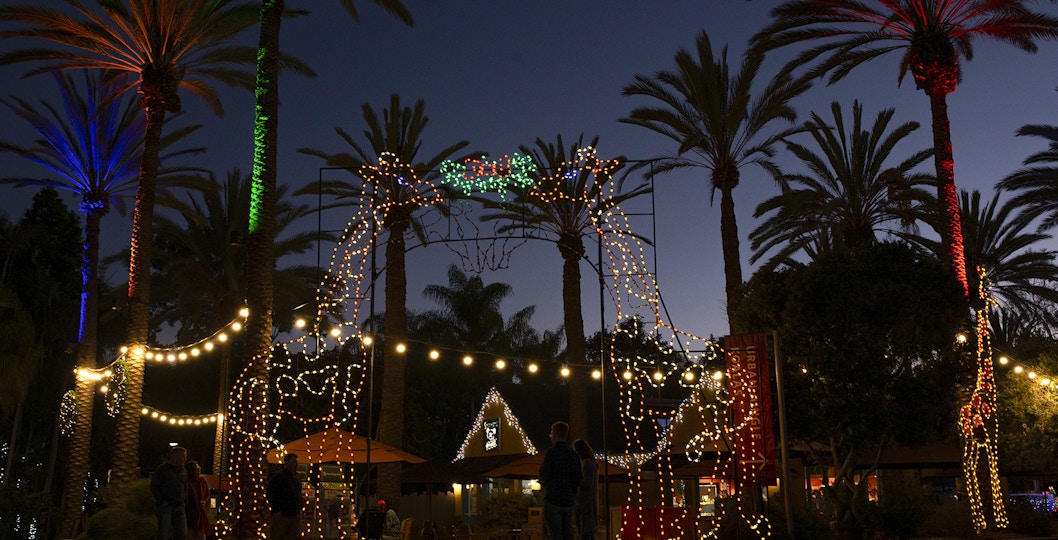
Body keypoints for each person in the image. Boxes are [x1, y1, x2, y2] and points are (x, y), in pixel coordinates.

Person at [538, 421, 582, 540]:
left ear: (555, 434)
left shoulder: (551, 453)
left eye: (551, 434)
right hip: (568, 501)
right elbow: (578, 478)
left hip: (553, 500)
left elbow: (544, 473)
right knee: (567, 533)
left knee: (555, 534)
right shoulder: (574, 455)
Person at [150, 446, 188, 540]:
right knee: (164, 535)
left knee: (182, 535)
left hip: (179, 506)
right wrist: (161, 500)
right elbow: (154, 486)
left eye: (184, 457)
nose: (184, 459)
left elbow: (186, 486)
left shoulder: (183, 470)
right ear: (174, 456)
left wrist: (185, 498)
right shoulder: (162, 470)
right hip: (166, 507)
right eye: (182, 457)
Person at [266, 453, 303, 540]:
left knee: (294, 536)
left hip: (295, 513)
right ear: (287, 463)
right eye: (294, 462)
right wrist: (276, 509)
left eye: (297, 462)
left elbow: (298, 493)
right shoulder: (279, 478)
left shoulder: (296, 477)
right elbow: (270, 493)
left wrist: (300, 506)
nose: (296, 464)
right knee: (278, 535)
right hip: (282, 514)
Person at [572, 439, 598, 540]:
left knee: (585, 532)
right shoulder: (591, 463)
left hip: (585, 504)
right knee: (588, 533)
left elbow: (587, 483)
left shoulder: (586, 463)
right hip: (588, 503)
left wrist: (575, 480)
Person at [184, 460, 210, 540]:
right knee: (189, 533)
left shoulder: (202, 481)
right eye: (197, 469)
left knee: (201, 534)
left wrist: (205, 501)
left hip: (200, 511)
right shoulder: (186, 482)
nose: (199, 471)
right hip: (189, 512)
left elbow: (207, 494)